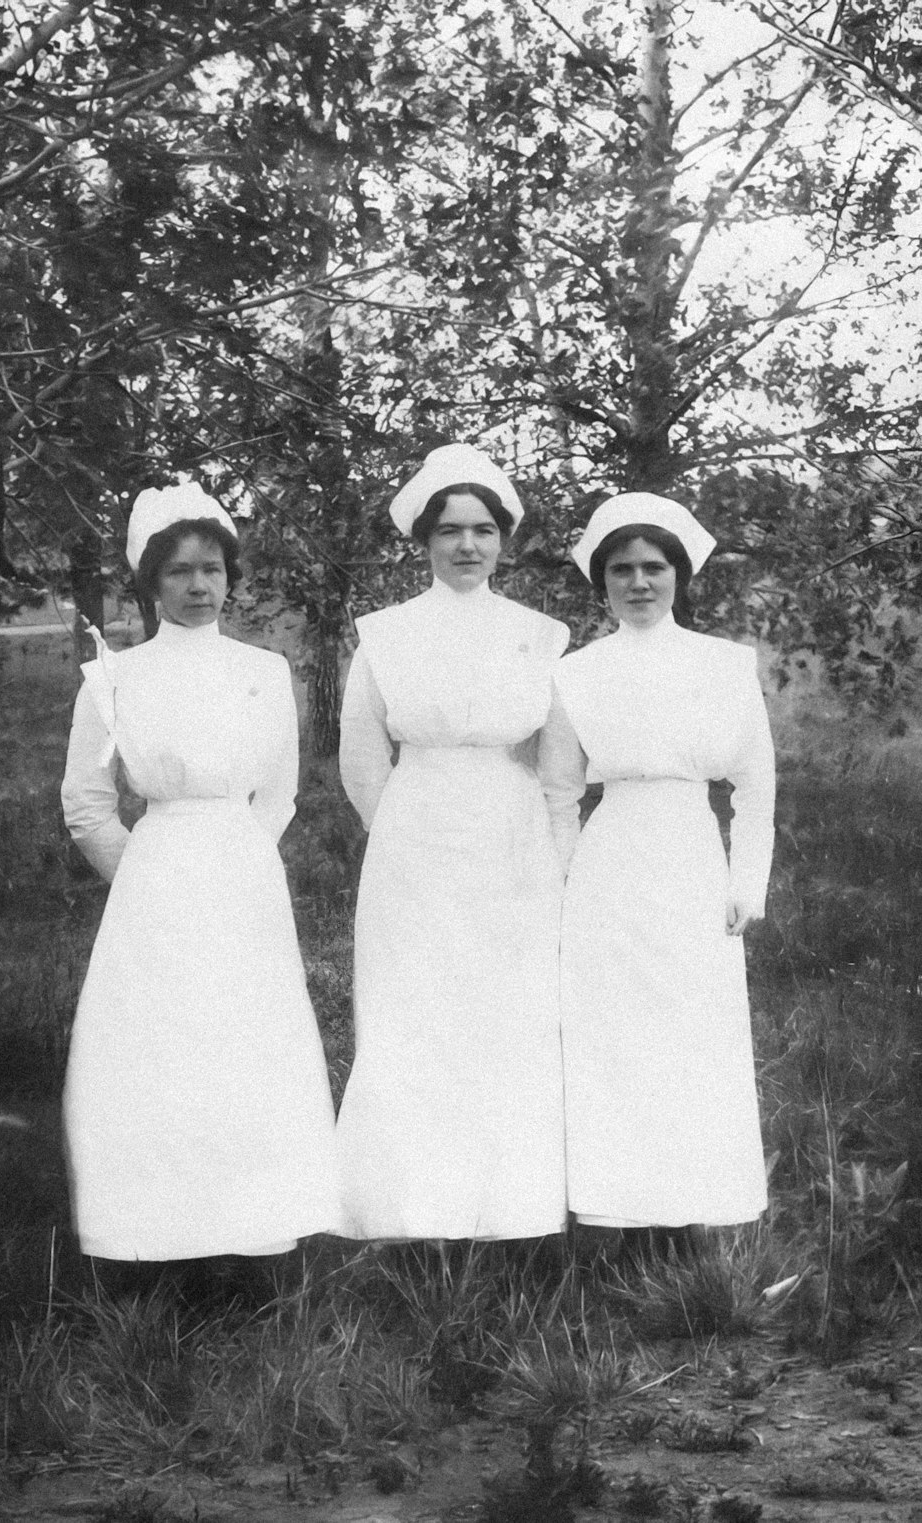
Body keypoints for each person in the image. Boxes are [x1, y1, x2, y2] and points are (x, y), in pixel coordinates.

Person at [60, 482, 339, 1262]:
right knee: (157, 1051)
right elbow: (85, 803)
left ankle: (249, 1234)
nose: (197, 587)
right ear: (150, 582)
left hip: (242, 877)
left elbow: (279, 792)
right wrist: (147, 873)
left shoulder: (263, 669)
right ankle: (155, 1239)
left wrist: (235, 863)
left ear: (229, 576)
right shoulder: (114, 678)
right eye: (178, 572)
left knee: (243, 1045)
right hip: (155, 881)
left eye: (211, 569)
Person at [336, 443, 570, 1241]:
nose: (467, 546)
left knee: (508, 1016)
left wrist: (542, 850)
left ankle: (511, 1213)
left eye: (482, 530)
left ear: (504, 540)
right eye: (450, 530)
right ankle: (413, 1214)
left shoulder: (543, 636)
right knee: (415, 1015)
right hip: (415, 842)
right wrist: (408, 834)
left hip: (514, 841)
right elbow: (363, 762)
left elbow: (556, 766)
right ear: (424, 541)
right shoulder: (386, 636)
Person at [541, 493, 775, 1234]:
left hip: (689, 854)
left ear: (679, 574)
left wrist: (748, 882)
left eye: (654, 567)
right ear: (601, 582)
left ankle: (698, 1205)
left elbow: (755, 783)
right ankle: (618, 1207)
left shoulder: (724, 664)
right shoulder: (576, 673)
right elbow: (559, 791)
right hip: (612, 860)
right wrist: (566, 878)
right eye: (622, 570)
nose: (639, 583)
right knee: (613, 1029)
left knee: (692, 1026)